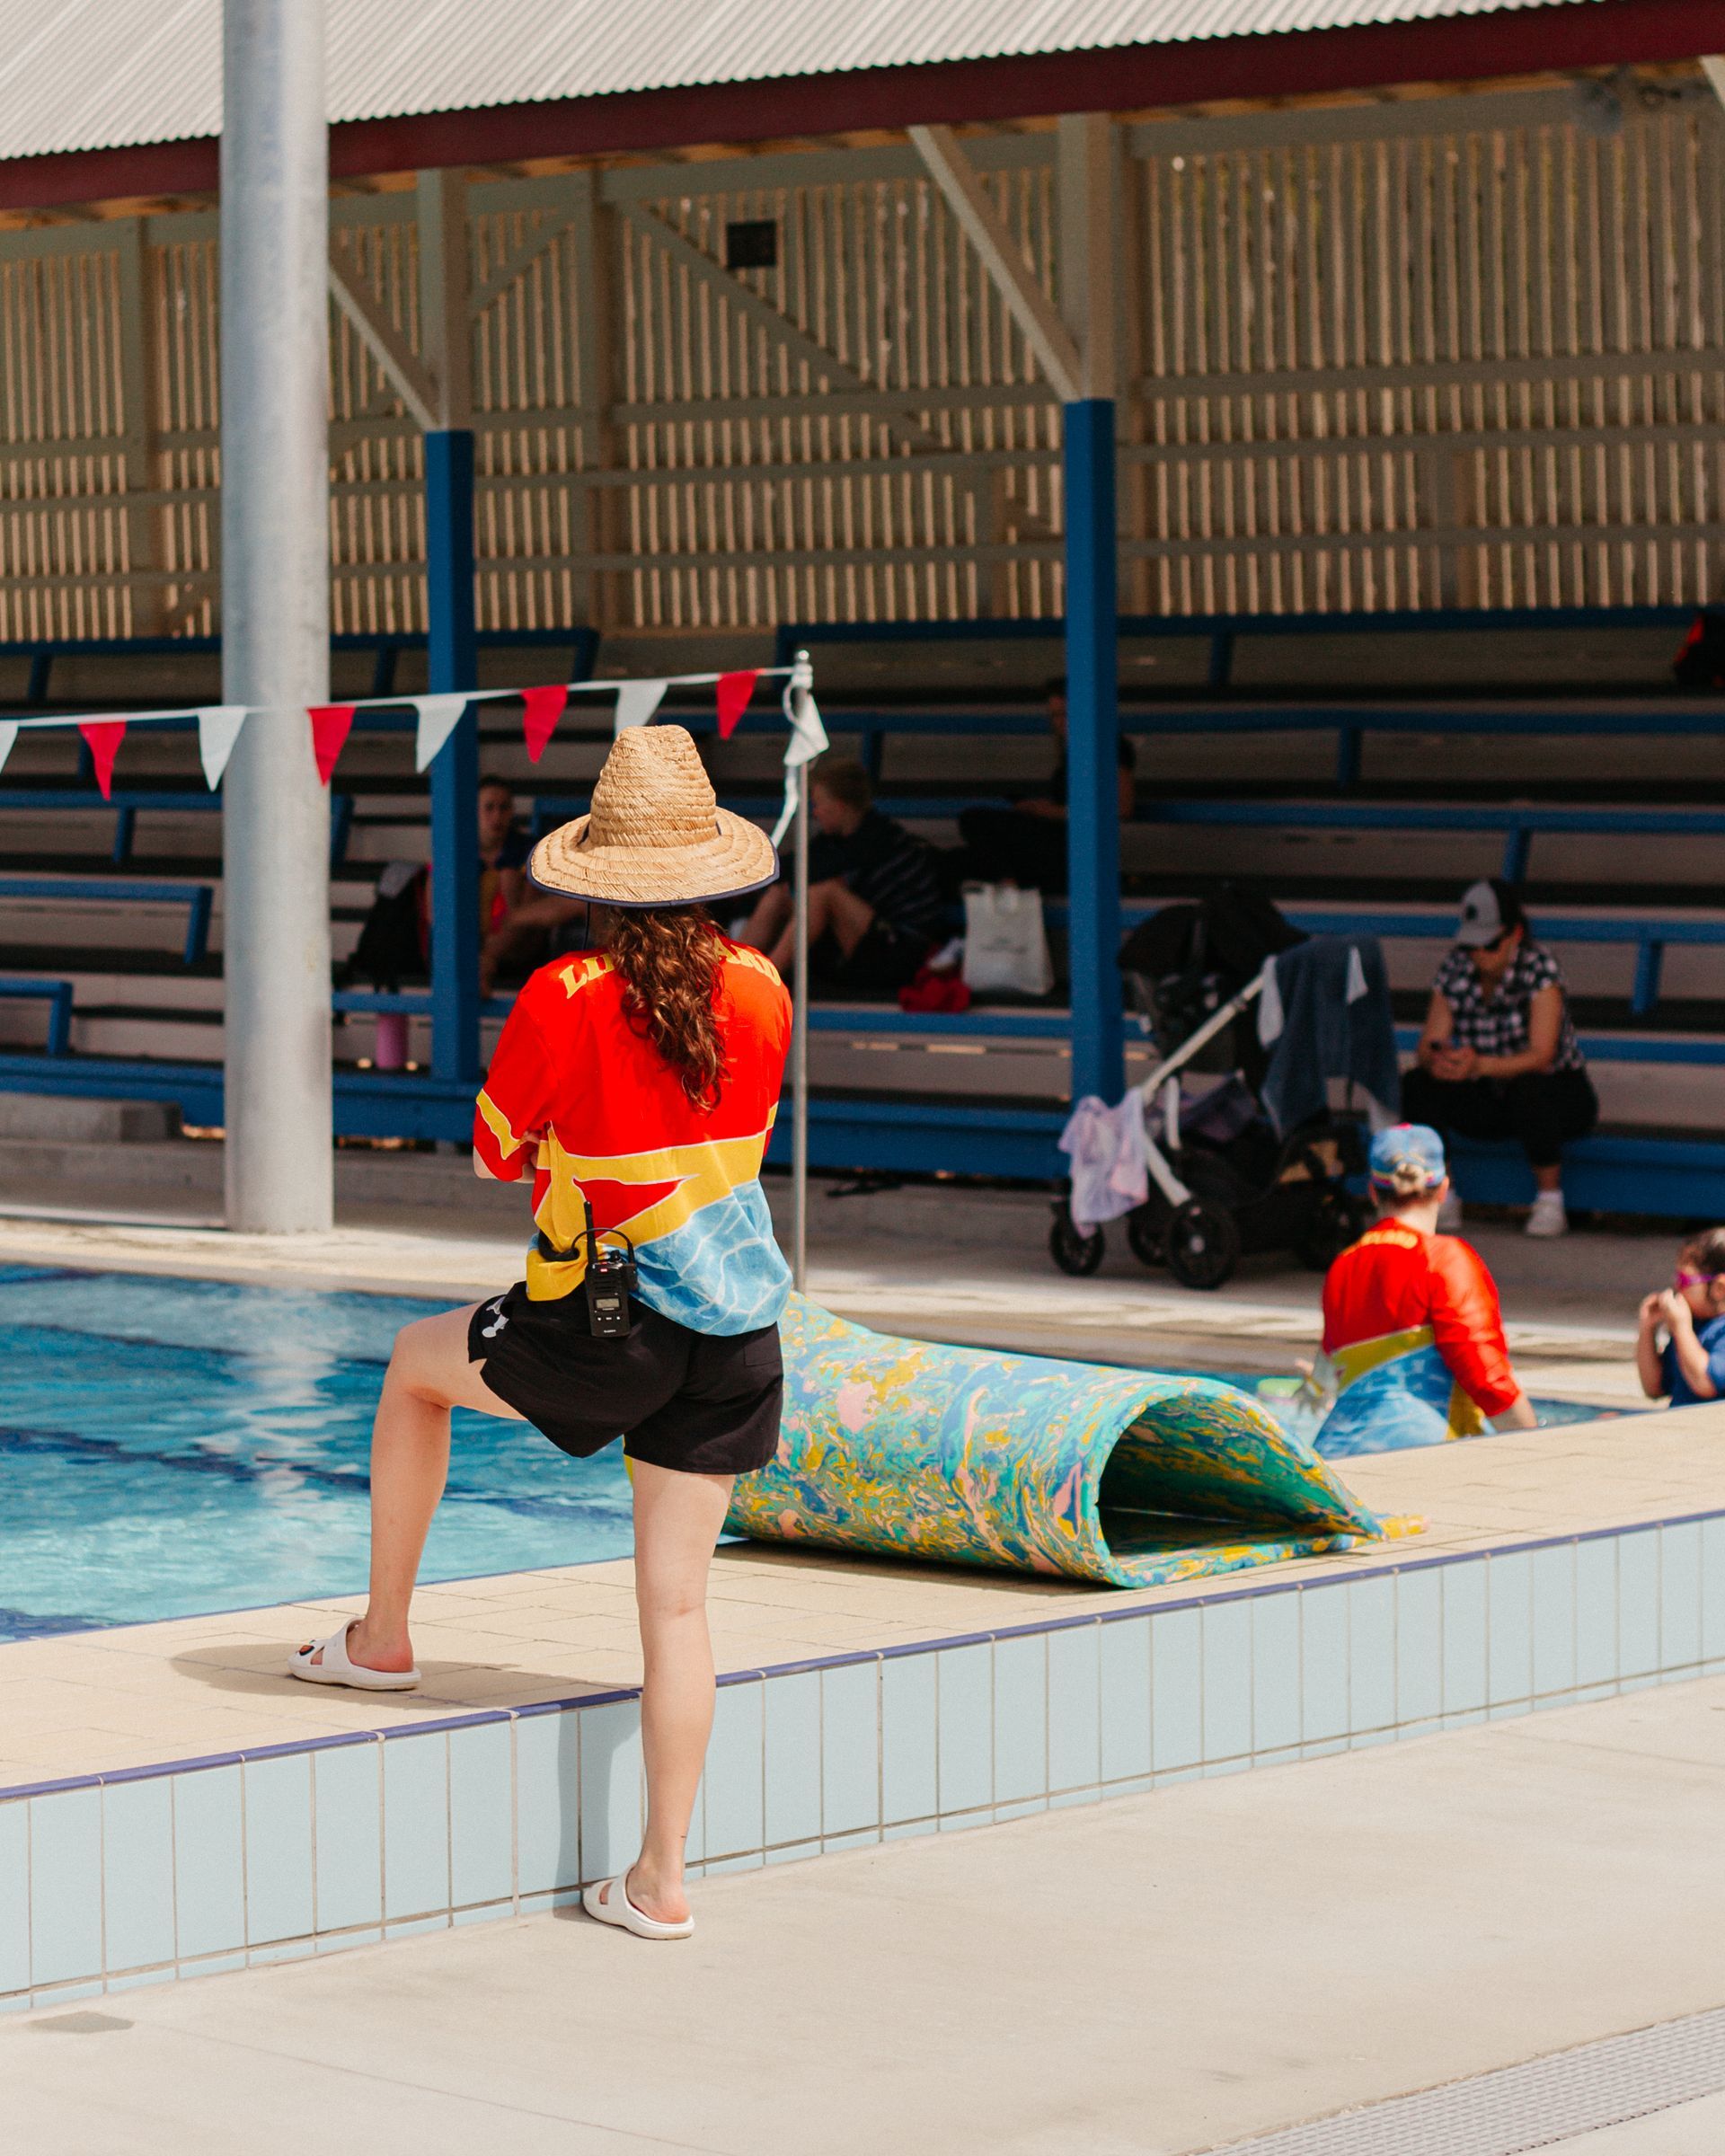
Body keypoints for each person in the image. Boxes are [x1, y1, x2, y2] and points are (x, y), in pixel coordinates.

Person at [290, 725, 791, 1943]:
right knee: (676, 1612)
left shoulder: (567, 995)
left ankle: (384, 1638)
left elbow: (494, 1149)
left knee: (414, 1372)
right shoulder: (765, 988)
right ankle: (660, 1882)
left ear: (597, 882)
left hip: (606, 1313)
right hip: (737, 1325)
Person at [1311, 1123, 1536, 1458]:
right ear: (1444, 1188)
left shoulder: (1342, 1265)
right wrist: (1538, 1445)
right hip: (1423, 1456)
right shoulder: (1444, 1258)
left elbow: (1325, 1378)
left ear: (1373, 1192)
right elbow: (1487, 1377)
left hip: (1334, 1455)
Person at [1401, 878, 1597, 1240]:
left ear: (1514, 934)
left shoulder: (1540, 969)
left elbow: (1542, 1055)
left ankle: (1550, 1200)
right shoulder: (1454, 968)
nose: (1479, 954)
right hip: (1489, 1092)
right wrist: (1441, 1061)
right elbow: (1430, 1041)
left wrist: (1480, 1065)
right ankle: (1442, 1193)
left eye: (1489, 944)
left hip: (1556, 1094)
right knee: (1417, 1083)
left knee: (1529, 1087)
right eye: (1472, 944)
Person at [740, 752, 944, 994]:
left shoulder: (878, 839)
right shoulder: (834, 840)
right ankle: (732, 973)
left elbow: (807, 869)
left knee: (822, 893)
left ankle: (764, 984)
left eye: (818, 805)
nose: (815, 813)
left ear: (838, 806)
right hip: (863, 942)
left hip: (900, 951)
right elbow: (789, 869)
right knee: (779, 894)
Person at [954, 676, 1137, 895]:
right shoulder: (1074, 749)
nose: (1060, 722)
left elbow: (1121, 808)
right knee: (964, 858)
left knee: (974, 820)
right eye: (1055, 716)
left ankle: (1009, 885)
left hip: (1077, 845)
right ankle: (1007, 882)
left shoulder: (1110, 746)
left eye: (1066, 714)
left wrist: (1051, 812)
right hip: (1061, 837)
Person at [1637, 1227, 1725, 1408]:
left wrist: (1681, 1328)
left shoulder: (1715, 1331)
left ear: (1720, 1288)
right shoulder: (1694, 1325)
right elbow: (1654, 1388)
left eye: (1685, 1280)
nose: (1676, 1286)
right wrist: (1647, 1328)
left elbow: (1706, 1383)